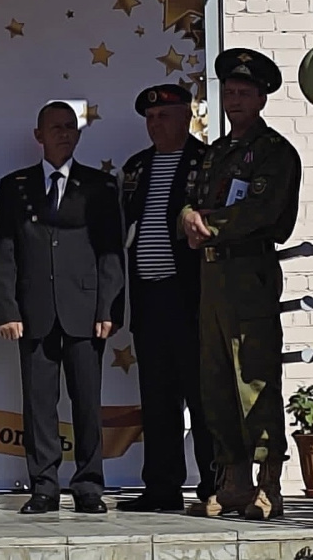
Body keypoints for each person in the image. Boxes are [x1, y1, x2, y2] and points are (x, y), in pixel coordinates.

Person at [179, 49, 301, 521]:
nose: (234, 101)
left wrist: (209, 224)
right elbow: (189, 199)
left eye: (244, 93)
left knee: (254, 375)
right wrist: (187, 217)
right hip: (211, 275)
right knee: (216, 379)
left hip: (249, 272)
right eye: (229, 92)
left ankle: (269, 483)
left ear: (262, 98)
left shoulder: (274, 152)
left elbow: (263, 213)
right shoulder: (215, 152)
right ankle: (233, 482)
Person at [0, 101, 124, 516]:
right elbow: (6, 251)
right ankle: (44, 486)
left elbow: (110, 253)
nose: (65, 134)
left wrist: (108, 307)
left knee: (86, 401)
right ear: (39, 135)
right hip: (34, 309)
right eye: (56, 128)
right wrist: (7, 309)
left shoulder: (100, 185)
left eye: (71, 127)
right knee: (39, 403)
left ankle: (89, 485)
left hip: (84, 308)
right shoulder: (15, 186)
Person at [117, 85, 214, 513]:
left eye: (166, 116)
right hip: (149, 296)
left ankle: (213, 485)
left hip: (192, 297)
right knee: (157, 398)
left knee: (202, 395)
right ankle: (161, 487)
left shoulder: (206, 161)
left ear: (186, 117)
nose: (156, 124)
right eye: (151, 118)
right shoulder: (136, 167)